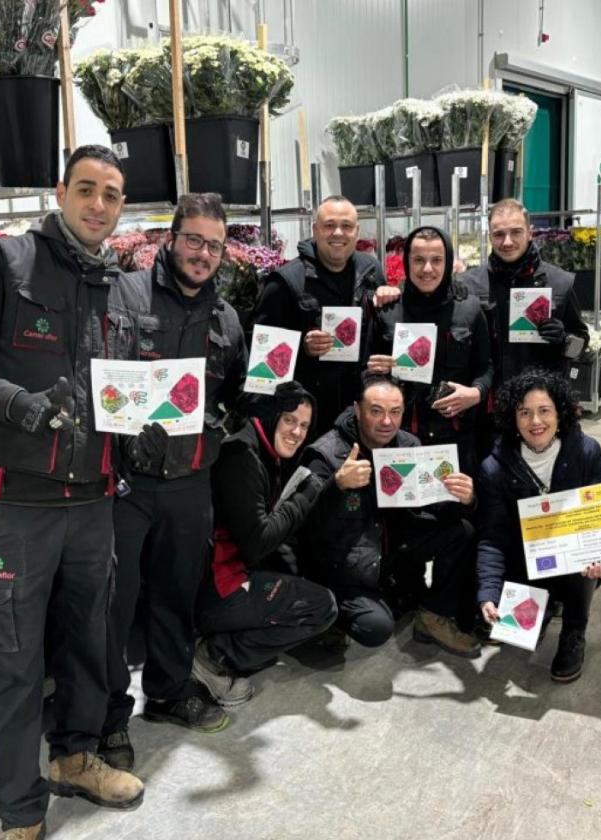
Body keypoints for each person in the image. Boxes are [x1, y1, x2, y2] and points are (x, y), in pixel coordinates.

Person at [0, 145, 143, 840]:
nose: (98, 205)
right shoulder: (7, 262)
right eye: (87, 189)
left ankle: (76, 758)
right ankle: (20, 809)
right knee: (17, 659)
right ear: (60, 191)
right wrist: (19, 404)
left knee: (87, 643)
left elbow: (125, 390)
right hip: (17, 504)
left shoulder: (119, 283)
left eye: (111, 195)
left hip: (92, 502)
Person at [100, 193, 249, 771]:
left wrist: (255, 399)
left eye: (214, 245)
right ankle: (110, 717)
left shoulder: (227, 320)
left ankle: (166, 692)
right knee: (113, 605)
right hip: (127, 484)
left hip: (191, 482)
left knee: (175, 594)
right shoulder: (124, 296)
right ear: (172, 237)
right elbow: (98, 373)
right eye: (194, 240)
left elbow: (231, 393)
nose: (203, 254)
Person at [297, 373, 479, 654]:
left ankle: (431, 616)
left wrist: (463, 499)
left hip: (392, 556)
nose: (386, 422)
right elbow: (304, 530)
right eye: (376, 411)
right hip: (345, 568)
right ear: (357, 410)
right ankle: (329, 609)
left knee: (461, 531)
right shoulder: (325, 455)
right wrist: (336, 487)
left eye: (395, 412)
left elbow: (433, 512)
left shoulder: (409, 446)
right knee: (377, 628)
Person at [193, 381, 340, 705]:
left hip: (225, 576)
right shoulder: (241, 454)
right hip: (217, 585)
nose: (297, 432)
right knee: (321, 606)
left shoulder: (260, 447)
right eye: (289, 420)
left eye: (304, 425)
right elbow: (258, 542)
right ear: (272, 414)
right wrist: (312, 490)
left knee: (296, 568)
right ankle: (212, 658)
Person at [476, 368, 601, 683]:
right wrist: (488, 593)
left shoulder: (587, 451)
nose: (535, 422)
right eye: (524, 413)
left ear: (560, 412)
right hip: (524, 560)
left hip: (574, 561)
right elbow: (493, 537)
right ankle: (546, 604)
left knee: (581, 559)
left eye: (544, 411)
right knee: (512, 631)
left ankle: (574, 631)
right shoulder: (493, 467)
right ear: (513, 418)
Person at [250, 195, 398, 441]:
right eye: (329, 225)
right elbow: (258, 355)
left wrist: (392, 297)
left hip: (360, 417)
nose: (338, 233)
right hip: (308, 421)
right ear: (315, 229)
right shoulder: (286, 282)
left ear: (357, 232)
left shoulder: (372, 271)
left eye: (346, 226)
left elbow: (379, 330)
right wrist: (302, 348)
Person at [460, 199, 589, 458]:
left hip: (541, 416)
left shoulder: (559, 283)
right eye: (499, 234)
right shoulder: (469, 285)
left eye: (516, 232)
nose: (507, 241)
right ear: (489, 236)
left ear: (530, 232)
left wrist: (564, 340)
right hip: (489, 415)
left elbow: (582, 347)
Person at [366, 225, 493, 469]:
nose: (427, 269)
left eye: (436, 260)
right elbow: (364, 372)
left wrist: (475, 393)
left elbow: (485, 367)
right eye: (419, 260)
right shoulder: (388, 310)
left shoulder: (469, 309)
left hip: (455, 439)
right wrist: (375, 376)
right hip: (397, 438)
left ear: (448, 263)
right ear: (406, 262)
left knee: (455, 504)